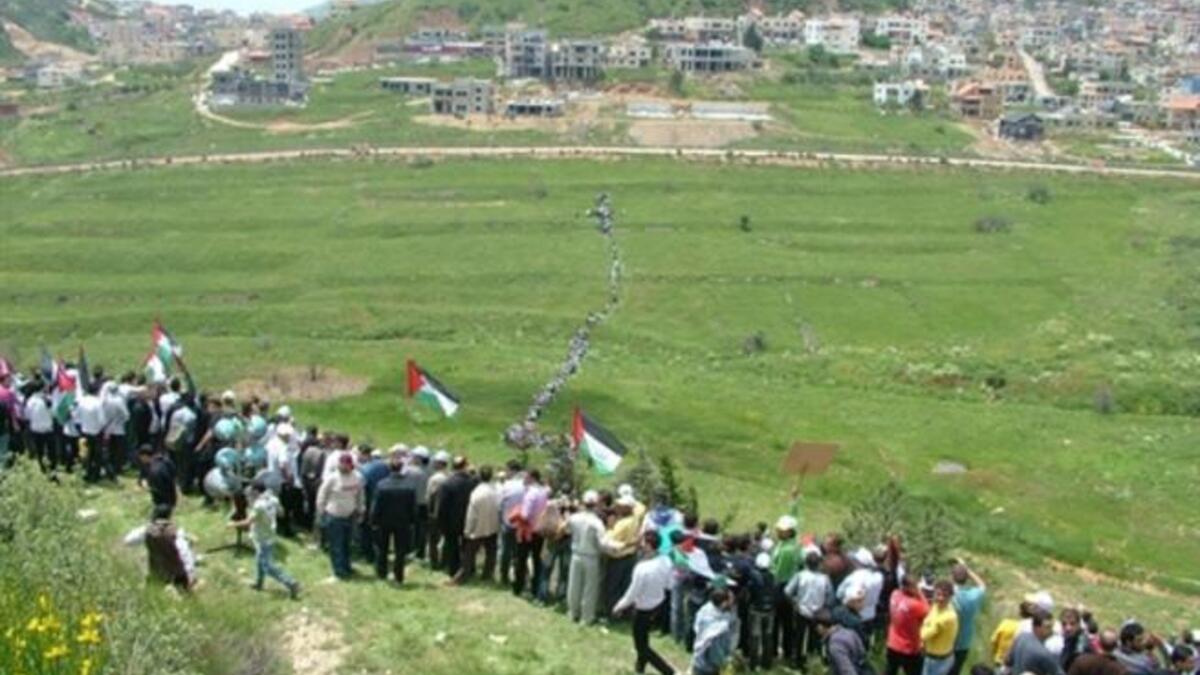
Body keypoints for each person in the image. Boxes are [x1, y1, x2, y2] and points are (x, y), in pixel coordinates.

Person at [613, 530, 676, 675]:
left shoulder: (642, 568)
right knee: (644, 638)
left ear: (648, 545)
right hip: (659, 604)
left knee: (641, 646)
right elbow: (669, 584)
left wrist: (619, 606)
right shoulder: (666, 561)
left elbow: (632, 593)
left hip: (643, 608)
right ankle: (640, 667)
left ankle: (668, 671)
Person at [231, 480, 300, 599]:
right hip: (270, 535)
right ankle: (258, 583)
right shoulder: (273, 499)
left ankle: (291, 583)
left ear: (257, 491)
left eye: (252, 491)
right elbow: (281, 513)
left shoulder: (259, 505)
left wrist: (232, 524)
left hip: (262, 537)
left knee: (267, 567)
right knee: (260, 560)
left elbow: (248, 522)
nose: (250, 493)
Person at [371, 451, 419, 584]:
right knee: (400, 550)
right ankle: (399, 576)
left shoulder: (382, 485)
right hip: (403, 522)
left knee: (383, 548)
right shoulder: (409, 486)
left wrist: (374, 520)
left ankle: (382, 573)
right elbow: (413, 507)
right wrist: (412, 521)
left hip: (384, 521)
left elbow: (377, 506)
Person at [122, 504, 196, 591]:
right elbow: (185, 555)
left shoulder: (147, 530)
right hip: (178, 575)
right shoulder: (176, 532)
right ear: (170, 516)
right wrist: (190, 574)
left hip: (157, 573)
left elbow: (128, 541)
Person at [317, 453, 364, 580]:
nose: (343, 467)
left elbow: (360, 495)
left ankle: (347, 567)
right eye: (341, 464)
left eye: (346, 465)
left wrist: (361, 510)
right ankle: (338, 572)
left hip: (350, 515)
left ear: (351, 465)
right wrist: (321, 512)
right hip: (334, 515)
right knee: (336, 545)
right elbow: (321, 495)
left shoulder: (357, 477)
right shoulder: (332, 478)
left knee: (347, 544)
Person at [564, 490, 606, 624]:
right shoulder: (597, 522)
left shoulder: (574, 517)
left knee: (574, 585)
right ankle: (586, 617)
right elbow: (602, 542)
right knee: (590, 588)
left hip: (576, 554)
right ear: (596, 505)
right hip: (591, 556)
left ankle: (572, 612)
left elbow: (566, 530)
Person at [786, 549, 832, 668]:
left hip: (802, 610)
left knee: (800, 637)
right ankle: (817, 661)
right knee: (817, 638)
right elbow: (830, 596)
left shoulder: (800, 576)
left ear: (806, 563)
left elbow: (787, 591)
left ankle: (798, 662)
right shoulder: (824, 579)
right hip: (819, 612)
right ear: (819, 564)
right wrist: (824, 606)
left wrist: (794, 602)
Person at [456, 464, 499, 585]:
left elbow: (471, 514)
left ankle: (464, 575)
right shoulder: (496, 491)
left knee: (469, 553)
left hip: (477, 527)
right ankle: (487, 574)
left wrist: (468, 530)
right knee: (491, 552)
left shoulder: (476, 493)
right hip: (493, 526)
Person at [510, 469, 548, 598]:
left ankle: (518, 587)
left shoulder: (531, 493)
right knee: (537, 560)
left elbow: (525, 515)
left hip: (527, 530)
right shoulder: (544, 492)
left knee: (521, 559)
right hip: (539, 531)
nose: (524, 479)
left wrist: (516, 512)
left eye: (526, 477)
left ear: (532, 478)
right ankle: (535, 588)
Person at [602, 495, 643, 617]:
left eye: (621, 506)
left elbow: (610, 540)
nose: (618, 508)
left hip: (618, 558)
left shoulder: (622, 524)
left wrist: (609, 528)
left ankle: (613, 613)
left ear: (627, 508)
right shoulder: (635, 519)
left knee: (612, 587)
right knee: (625, 586)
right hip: (630, 556)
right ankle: (626, 613)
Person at [772, 514, 803, 668]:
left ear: (790, 532)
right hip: (790, 586)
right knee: (788, 621)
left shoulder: (787, 551)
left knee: (780, 620)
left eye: (782, 530)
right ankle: (787, 651)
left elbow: (778, 572)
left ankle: (778, 651)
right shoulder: (791, 544)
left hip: (782, 586)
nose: (778, 531)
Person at [436, 456, 475, 578]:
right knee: (467, 547)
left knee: (452, 546)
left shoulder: (447, 483)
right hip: (468, 519)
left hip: (450, 522)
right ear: (465, 466)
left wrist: (440, 522)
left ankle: (453, 569)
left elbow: (442, 506)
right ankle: (468, 569)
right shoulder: (473, 482)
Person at [840, 548, 886, 648]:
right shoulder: (879, 577)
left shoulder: (855, 577)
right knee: (865, 645)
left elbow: (841, 593)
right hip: (870, 615)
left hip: (854, 617)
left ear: (858, 562)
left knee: (851, 645)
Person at [887, 573, 931, 675]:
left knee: (890, 671)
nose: (916, 588)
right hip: (908, 647)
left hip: (892, 643)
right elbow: (928, 611)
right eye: (914, 586)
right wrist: (920, 593)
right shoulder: (914, 605)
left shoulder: (895, 594)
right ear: (906, 587)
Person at [950, 561, 987, 675]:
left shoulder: (950, 594)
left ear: (952, 577)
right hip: (964, 642)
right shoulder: (974, 595)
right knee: (955, 670)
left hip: (947, 641)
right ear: (967, 579)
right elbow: (982, 585)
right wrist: (967, 569)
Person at [692, 587, 738, 675]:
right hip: (708, 668)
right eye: (731, 599)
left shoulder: (705, 609)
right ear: (724, 603)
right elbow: (716, 653)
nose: (733, 602)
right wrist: (726, 661)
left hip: (698, 660)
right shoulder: (719, 627)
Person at [817, 607, 873, 675]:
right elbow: (862, 653)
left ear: (820, 627)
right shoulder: (850, 632)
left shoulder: (834, 646)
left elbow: (847, 671)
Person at [920, 580, 960, 675]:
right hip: (932, 657)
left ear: (950, 596)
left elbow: (923, 635)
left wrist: (926, 624)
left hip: (938, 661)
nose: (940, 598)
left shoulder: (947, 617)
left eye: (944, 595)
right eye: (938, 594)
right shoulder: (937, 606)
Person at [497, 459, 525, 585]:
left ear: (512, 470)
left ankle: (504, 576)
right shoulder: (526, 485)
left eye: (507, 470)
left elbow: (499, 504)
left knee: (505, 551)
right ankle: (518, 577)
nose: (506, 472)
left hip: (507, 523)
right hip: (522, 524)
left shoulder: (506, 486)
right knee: (519, 552)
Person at [77, 382, 110, 482]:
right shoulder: (97, 403)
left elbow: (77, 417)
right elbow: (102, 420)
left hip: (84, 431)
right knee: (96, 456)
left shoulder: (82, 401)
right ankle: (95, 475)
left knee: (85, 454)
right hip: (96, 433)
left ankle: (86, 473)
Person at [426, 451, 450, 569]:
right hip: (446, 513)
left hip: (434, 513)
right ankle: (445, 561)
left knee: (433, 539)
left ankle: (434, 562)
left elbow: (429, 496)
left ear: (439, 464)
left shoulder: (434, 479)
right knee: (445, 538)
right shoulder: (449, 477)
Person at [23, 381, 54, 472]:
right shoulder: (47, 399)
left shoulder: (30, 401)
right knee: (50, 450)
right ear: (42, 388)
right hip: (48, 429)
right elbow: (53, 413)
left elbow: (27, 416)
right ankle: (52, 467)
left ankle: (42, 468)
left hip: (36, 430)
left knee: (39, 450)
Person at [138, 444, 177, 512]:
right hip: (172, 494)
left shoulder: (154, 469)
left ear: (144, 456)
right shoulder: (165, 460)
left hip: (163, 498)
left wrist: (148, 486)